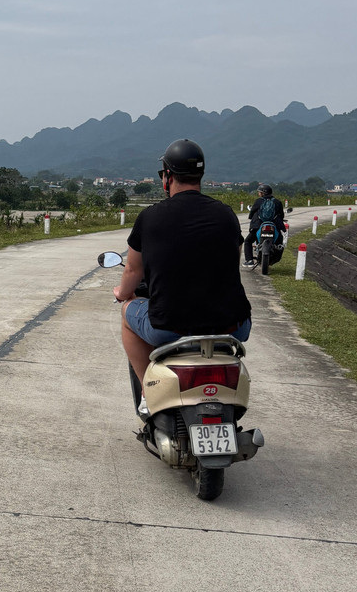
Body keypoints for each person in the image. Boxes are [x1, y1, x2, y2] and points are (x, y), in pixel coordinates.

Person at [112, 139, 252, 405]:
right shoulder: (226, 215)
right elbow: (232, 266)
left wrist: (122, 293)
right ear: (200, 175)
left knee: (127, 312)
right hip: (234, 325)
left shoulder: (151, 217)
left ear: (168, 176)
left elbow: (132, 269)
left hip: (169, 327)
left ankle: (147, 391)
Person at [243, 184, 286, 266]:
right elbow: (281, 215)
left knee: (248, 241)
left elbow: (251, 213)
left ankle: (249, 260)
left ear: (263, 193)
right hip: (274, 226)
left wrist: (252, 217)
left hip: (259, 225)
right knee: (279, 242)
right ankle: (275, 257)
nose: (258, 193)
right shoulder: (277, 202)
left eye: (259, 192)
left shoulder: (258, 201)